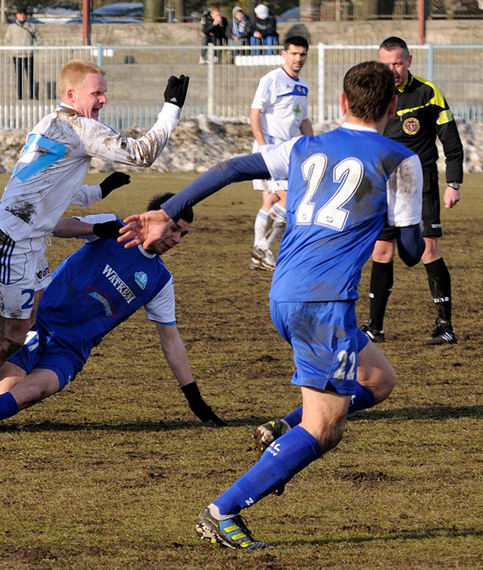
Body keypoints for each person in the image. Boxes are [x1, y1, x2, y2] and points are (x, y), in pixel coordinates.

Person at [118, 61, 424, 549]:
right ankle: (225, 509)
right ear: (393, 106)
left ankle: (286, 426)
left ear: (342, 104)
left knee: (379, 379)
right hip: (325, 301)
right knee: (326, 429)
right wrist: (394, 215)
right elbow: (409, 252)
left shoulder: (307, 146)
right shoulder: (400, 159)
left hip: (283, 292)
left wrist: (168, 209)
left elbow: (231, 168)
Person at [0, 60, 189, 422]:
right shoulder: (80, 128)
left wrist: (99, 190)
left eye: (104, 92)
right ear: (71, 94)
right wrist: (171, 111)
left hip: (22, 237)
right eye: (97, 93)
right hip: (12, 239)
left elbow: (53, 190)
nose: (104, 100)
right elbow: (142, 153)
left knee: (24, 319)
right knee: (10, 336)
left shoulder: (53, 123)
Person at [0, 194, 225, 437]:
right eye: (173, 229)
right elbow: (57, 228)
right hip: (40, 324)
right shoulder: (114, 228)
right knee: (12, 379)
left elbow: (170, 340)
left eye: (182, 235)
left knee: (33, 391)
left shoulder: (160, 280)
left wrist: (193, 396)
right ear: (155, 216)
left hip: (72, 351)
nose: (176, 239)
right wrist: (96, 229)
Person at [362, 36, 464, 345]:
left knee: (428, 250)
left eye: (397, 62)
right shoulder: (374, 94)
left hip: (422, 185)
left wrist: (453, 183)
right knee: (382, 251)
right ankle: (374, 327)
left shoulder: (429, 93)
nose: (391, 69)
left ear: (409, 60)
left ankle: (445, 325)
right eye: (386, 63)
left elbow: (452, 143)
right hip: (384, 185)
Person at [249, 35, 312, 271]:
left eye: (302, 54)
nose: (298, 58)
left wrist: (312, 146)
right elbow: (255, 114)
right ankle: (263, 248)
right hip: (270, 150)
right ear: (284, 54)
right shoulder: (271, 80)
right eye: (294, 53)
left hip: (288, 151)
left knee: (271, 201)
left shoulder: (302, 86)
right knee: (290, 200)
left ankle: (259, 252)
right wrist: (263, 146)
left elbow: (303, 120)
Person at [4, 6, 40, 100]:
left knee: (30, 75)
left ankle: (32, 95)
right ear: (17, 15)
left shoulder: (31, 27)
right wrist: (12, 49)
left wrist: (34, 47)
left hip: (29, 55)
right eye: (20, 14)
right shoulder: (12, 28)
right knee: (19, 76)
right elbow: (7, 40)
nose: (22, 16)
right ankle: (19, 96)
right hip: (17, 55)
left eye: (24, 14)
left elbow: (38, 38)